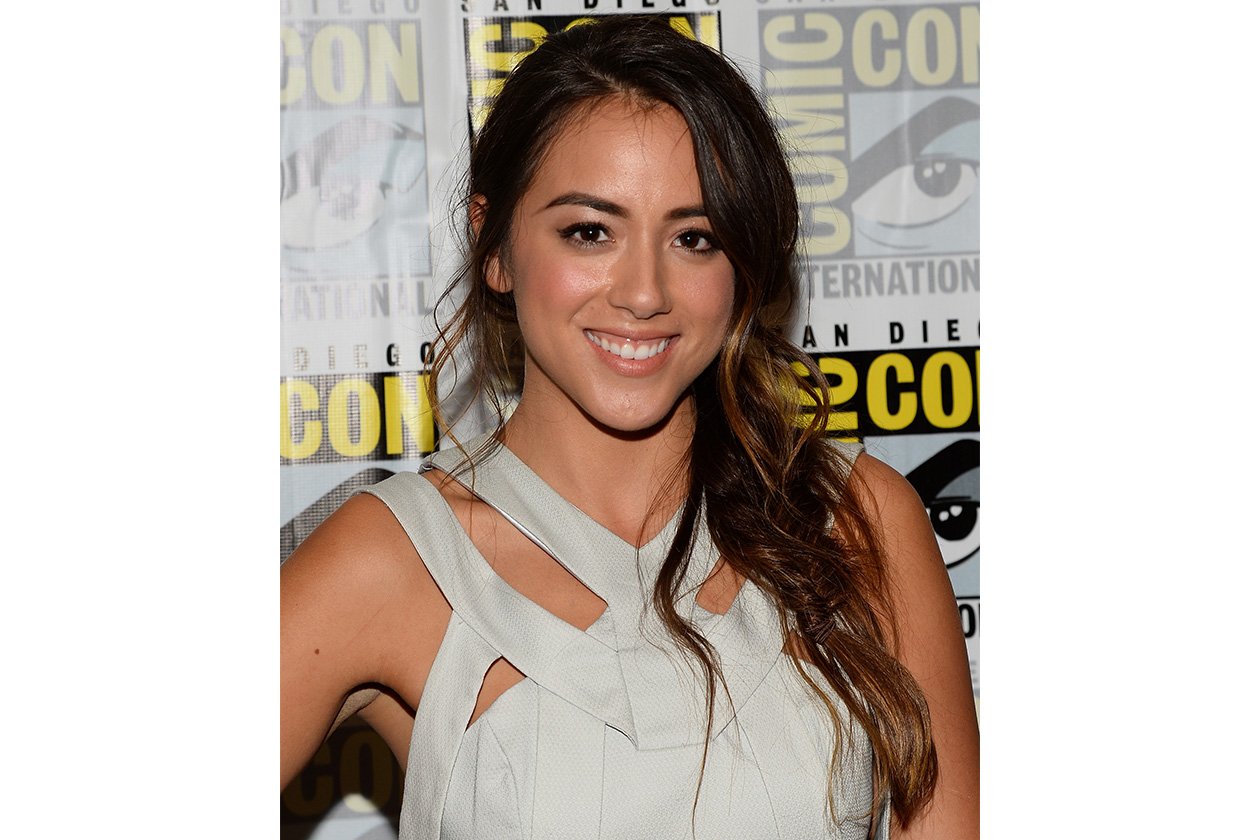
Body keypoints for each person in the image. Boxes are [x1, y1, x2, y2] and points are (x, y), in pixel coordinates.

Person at [281, 15, 978, 839]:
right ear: (494, 245)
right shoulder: (395, 558)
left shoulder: (857, 518)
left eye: (694, 237)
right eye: (590, 231)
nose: (644, 292)